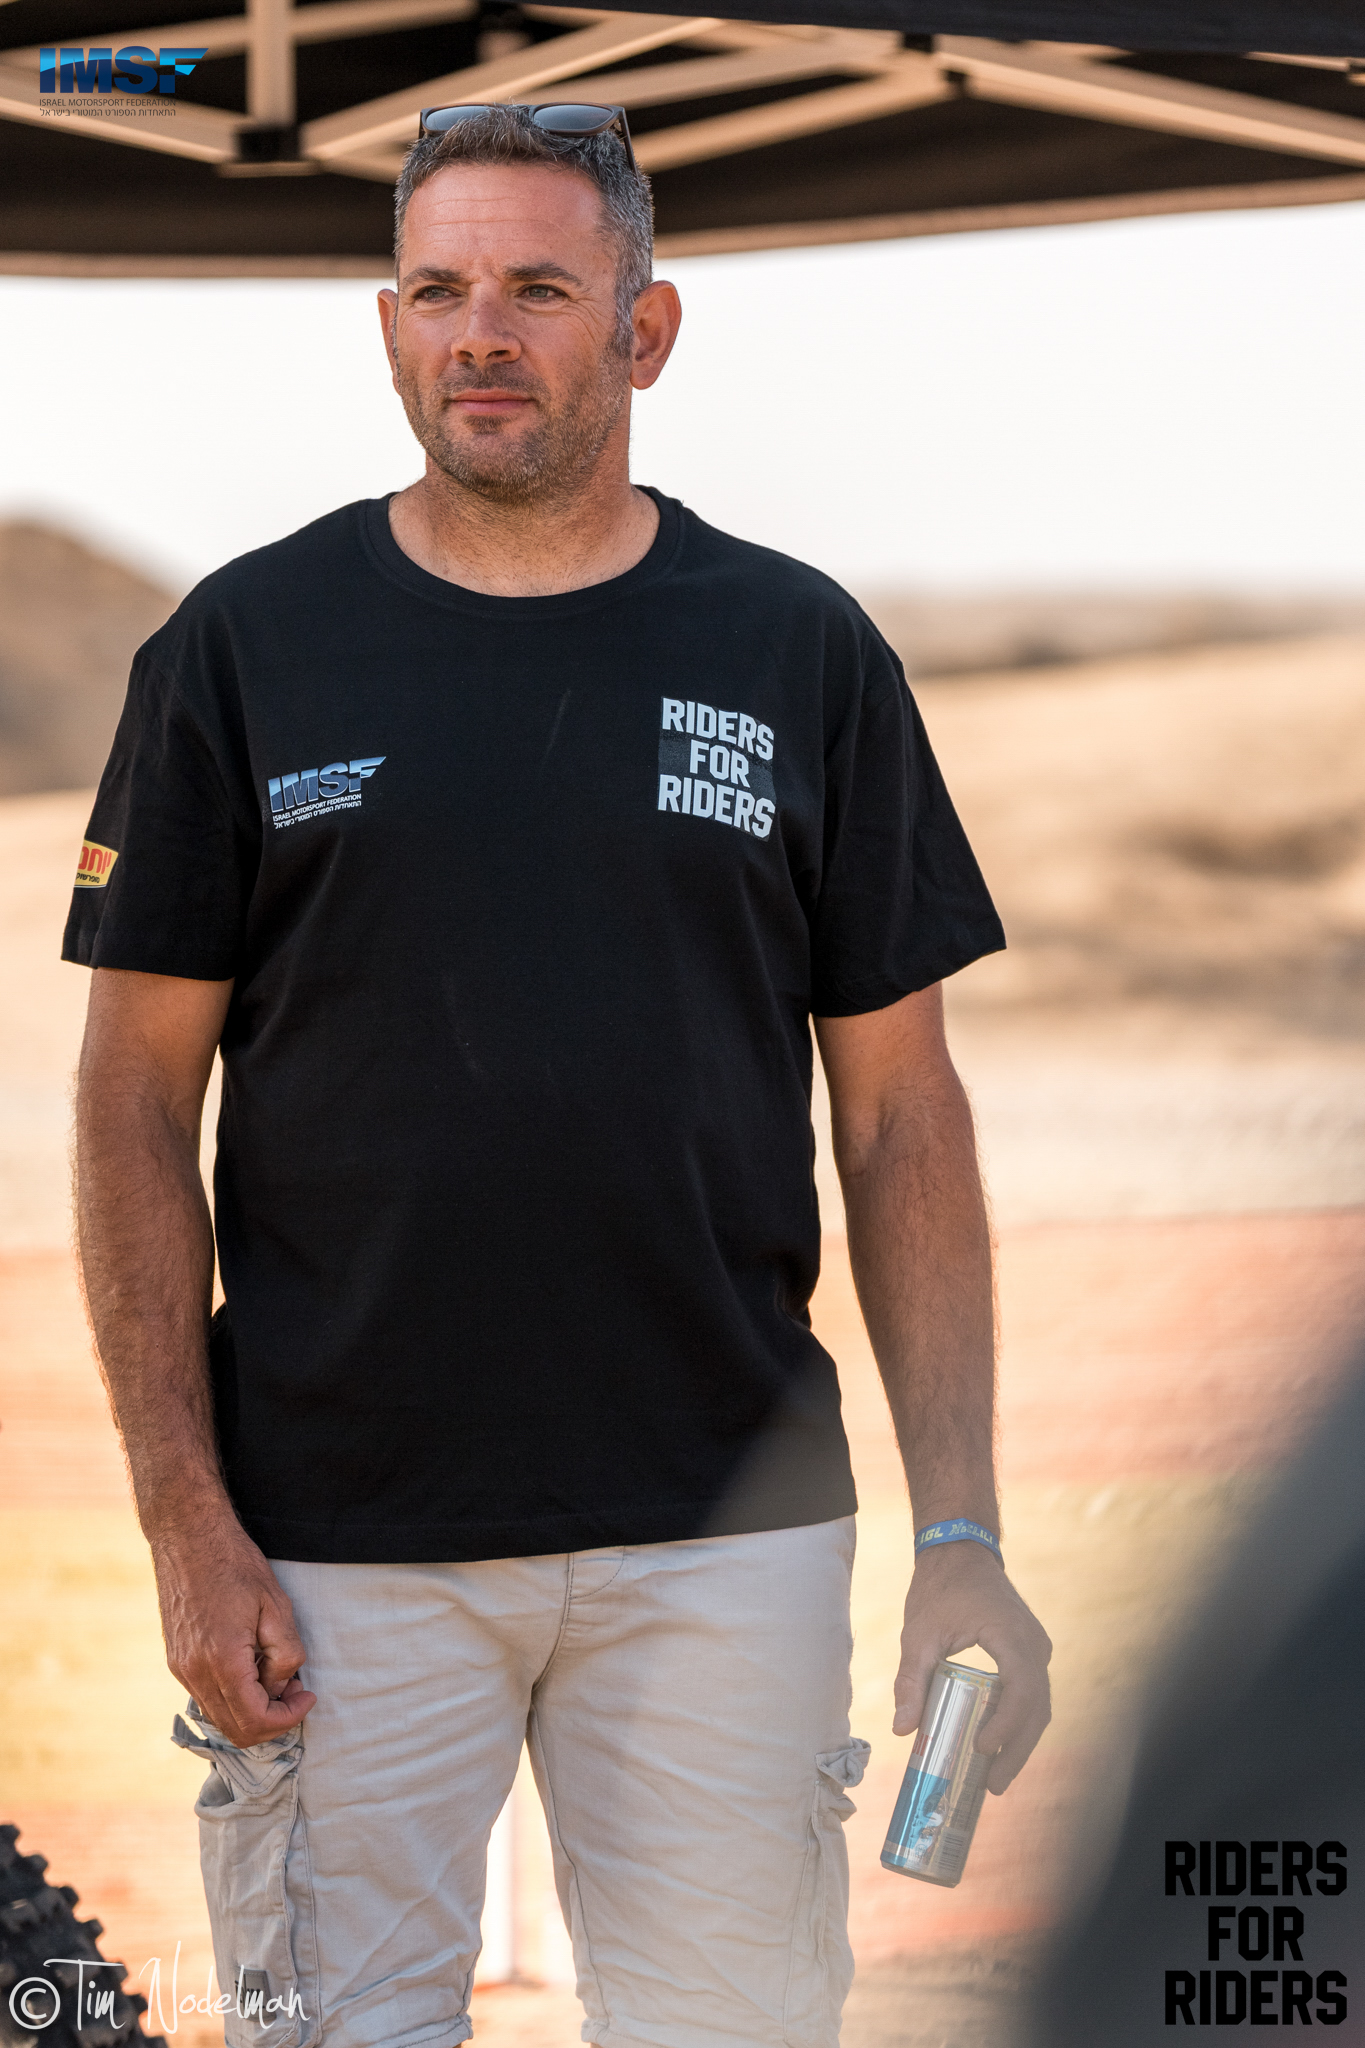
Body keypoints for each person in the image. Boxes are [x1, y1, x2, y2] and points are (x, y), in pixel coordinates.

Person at [66, 103, 1051, 2048]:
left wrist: (959, 1538)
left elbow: (899, 1117)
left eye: (536, 287)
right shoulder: (241, 650)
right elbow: (128, 1106)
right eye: (438, 290)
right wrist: (186, 1519)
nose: (481, 334)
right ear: (388, 328)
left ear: (643, 329)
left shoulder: (797, 651)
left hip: (726, 1538)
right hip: (335, 1548)